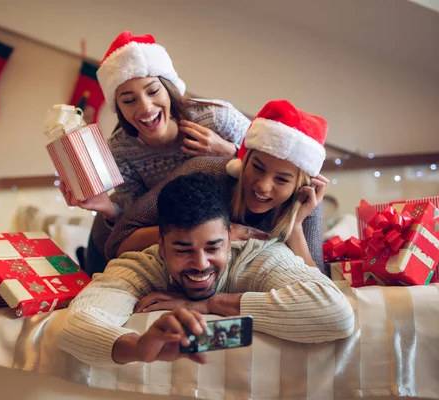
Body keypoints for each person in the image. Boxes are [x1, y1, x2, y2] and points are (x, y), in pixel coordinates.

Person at [57, 173, 354, 366]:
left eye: (213, 248)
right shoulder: (142, 263)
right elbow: (77, 324)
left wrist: (205, 303)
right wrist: (137, 347)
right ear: (161, 247)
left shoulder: (260, 255)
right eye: (183, 250)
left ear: (231, 239)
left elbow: (335, 313)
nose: (200, 264)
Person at [59, 31, 251, 276]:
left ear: (169, 89)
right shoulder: (121, 149)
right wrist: (106, 208)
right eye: (129, 100)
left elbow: (265, 165)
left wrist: (228, 151)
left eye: (152, 92)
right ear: (119, 109)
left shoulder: (216, 118)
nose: (145, 107)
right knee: (101, 228)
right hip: (165, 230)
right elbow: (132, 219)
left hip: (225, 219)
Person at [105, 99, 330, 273]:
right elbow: (118, 242)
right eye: (257, 167)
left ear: (300, 185)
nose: (263, 186)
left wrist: (296, 225)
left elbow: (319, 288)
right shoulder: (205, 171)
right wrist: (218, 234)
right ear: (244, 158)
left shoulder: (305, 203)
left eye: (282, 180)